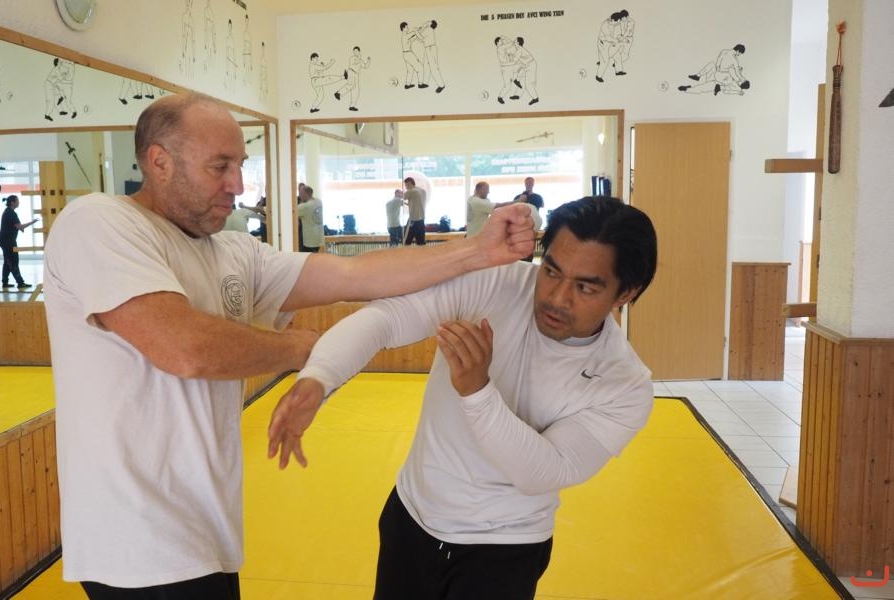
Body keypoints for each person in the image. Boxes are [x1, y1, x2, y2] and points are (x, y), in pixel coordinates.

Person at [41, 92, 537, 599]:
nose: (238, 184)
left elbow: (355, 275)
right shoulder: (98, 222)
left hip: (201, 527)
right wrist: (307, 350)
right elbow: (184, 349)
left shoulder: (233, 252)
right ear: (160, 161)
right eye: (220, 166)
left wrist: (477, 251)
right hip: (135, 539)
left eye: (240, 165)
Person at [267, 196, 658, 600]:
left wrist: (478, 391)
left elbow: (544, 472)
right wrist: (320, 376)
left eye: (585, 287)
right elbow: (387, 318)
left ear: (625, 293)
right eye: (552, 271)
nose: (557, 298)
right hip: (411, 517)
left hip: (507, 547)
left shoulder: (625, 386)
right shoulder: (496, 283)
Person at [0, 194, 37, 290]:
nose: (19, 202)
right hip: (8, 241)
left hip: (4, 240)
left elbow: (17, 226)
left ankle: (5, 282)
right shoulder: (11, 213)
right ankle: (20, 283)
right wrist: (33, 222)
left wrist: (20, 228)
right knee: (13, 261)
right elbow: (20, 227)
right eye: (17, 201)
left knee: (7, 261)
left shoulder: (8, 211)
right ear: (12, 202)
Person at [297, 184, 323, 252]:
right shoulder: (319, 201)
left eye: (300, 193)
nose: (299, 195)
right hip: (318, 239)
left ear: (305, 194)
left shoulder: (305, 206)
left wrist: (302, 201)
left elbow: (292, 213)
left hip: (309, 242)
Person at [402, 177, 427, 246]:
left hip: (413, 220)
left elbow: (401, 196)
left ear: (409, 183)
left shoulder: (411, 191)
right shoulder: (422, 191)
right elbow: (417, 203)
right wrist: (408, 204)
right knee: (421, 243)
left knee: (406, 242)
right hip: (421, 220)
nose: (406, 187)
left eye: (406, 185)